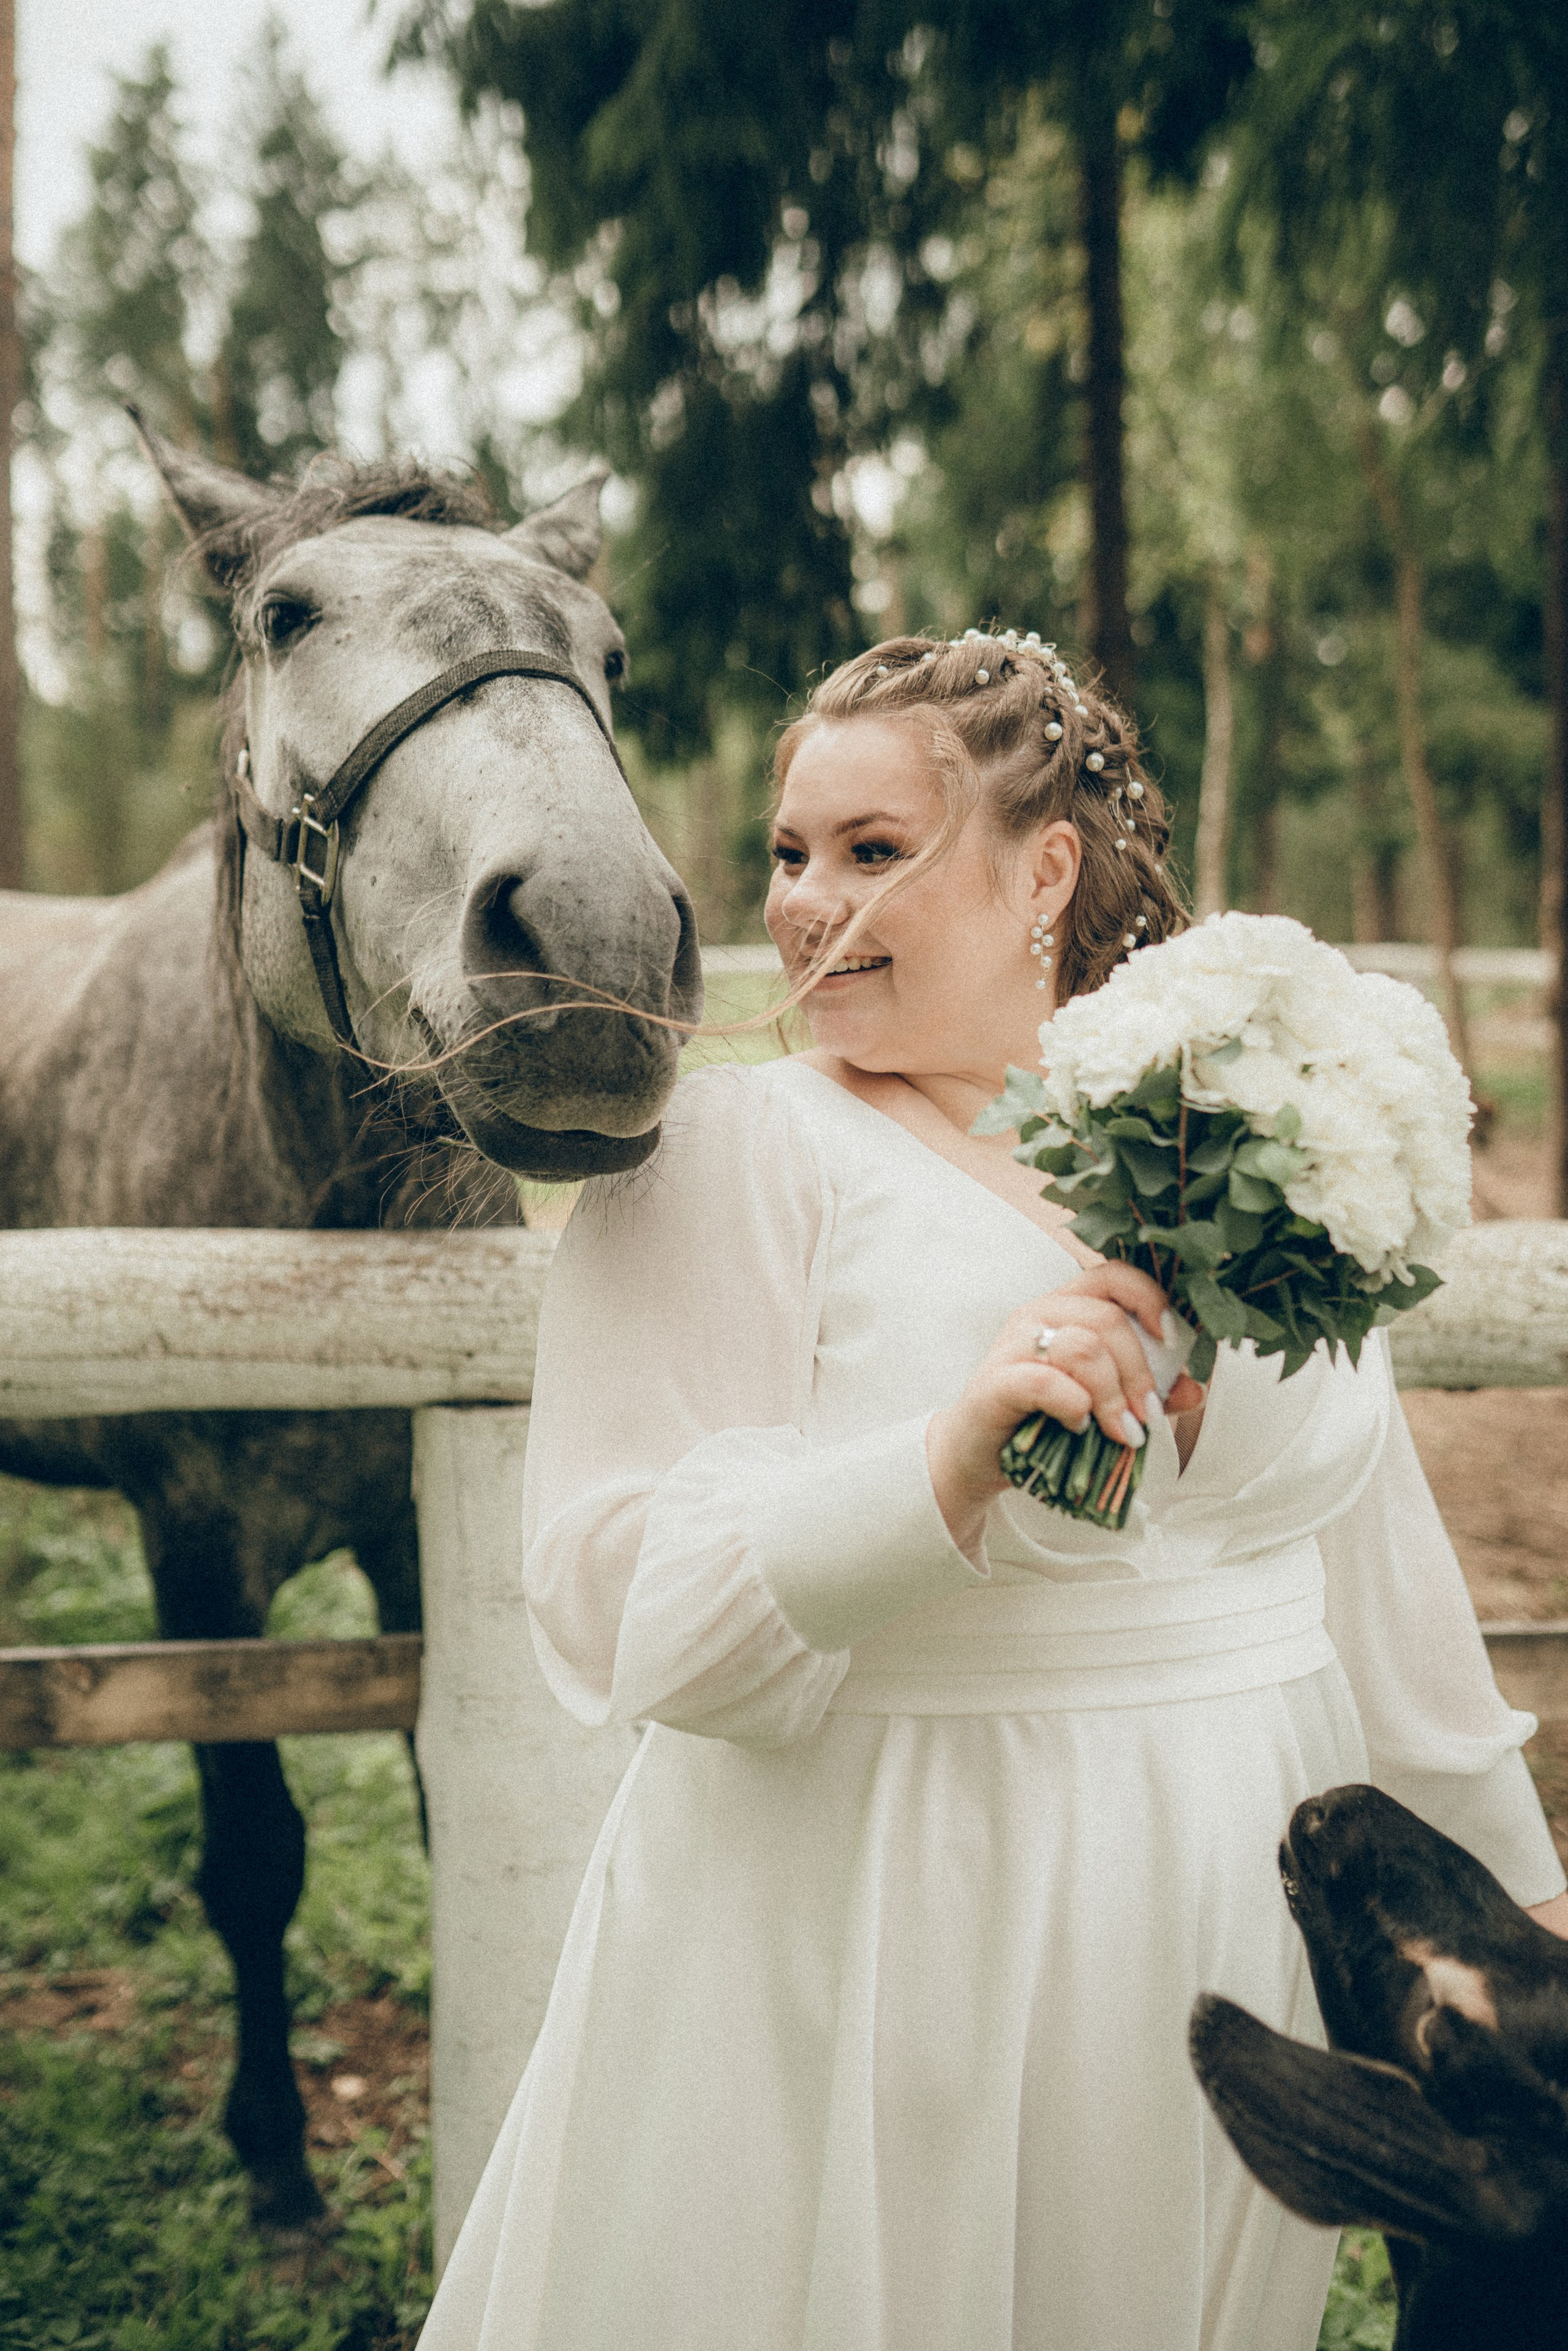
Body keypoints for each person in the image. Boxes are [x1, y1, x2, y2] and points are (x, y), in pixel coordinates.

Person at [418, 630, 1567, 2351]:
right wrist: (942, 1469)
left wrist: (1527, 1905)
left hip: (1220, 1934)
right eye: (790, 855)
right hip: (878, 1916)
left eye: (875, 851)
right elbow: (609, 1603)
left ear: (1048, 872)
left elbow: (1376, 1567)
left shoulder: (1241, 1139)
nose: (809, 905)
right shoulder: (737, 1152)